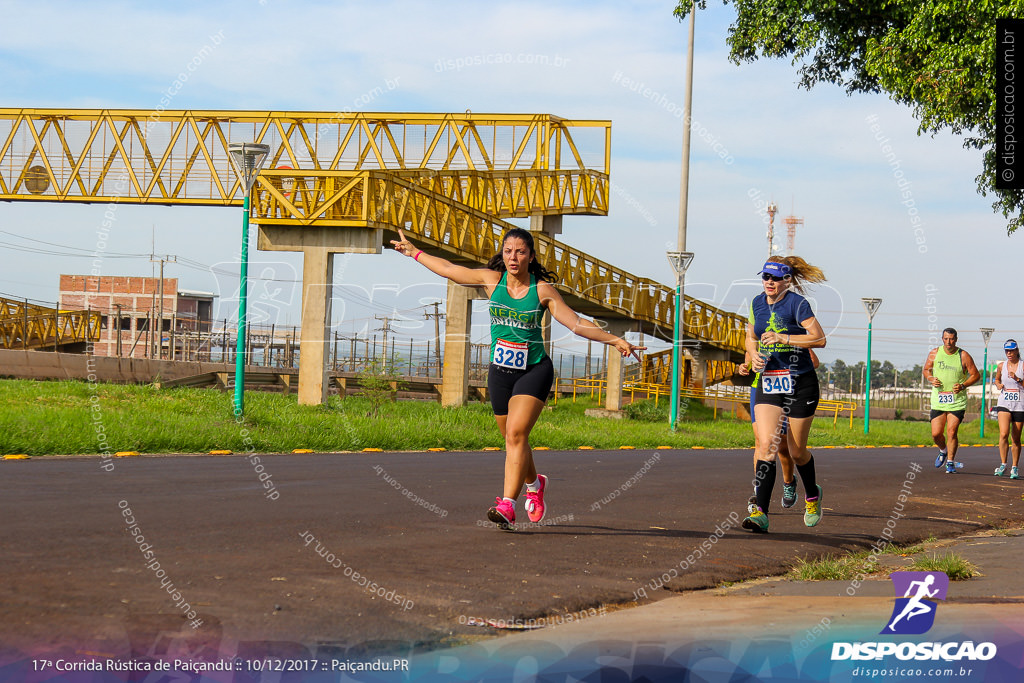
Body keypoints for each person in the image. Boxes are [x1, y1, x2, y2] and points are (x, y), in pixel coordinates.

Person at [390, 227, 645, 530]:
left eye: (520, 251)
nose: (513, 256)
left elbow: (576, 324)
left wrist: (614, 339)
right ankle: (535, 485)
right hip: (500, 372)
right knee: (513, 439)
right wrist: (414, 253)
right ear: (502, 254)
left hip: (534, 370)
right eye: (508, 250)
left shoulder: (542, 291)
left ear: (531, 256)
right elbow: (449, 269)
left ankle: (507, 505)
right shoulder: (491, 280)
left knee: (515, 435)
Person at [742, 256, 828, 533]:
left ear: (787, 280)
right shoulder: (756, 303)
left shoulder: (797, 304)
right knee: (767, 446)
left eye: (776, 278)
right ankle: (761, 514)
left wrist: (785, 338)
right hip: (770, 382)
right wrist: (753, 356)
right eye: (765, 276)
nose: (769, 282)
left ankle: (812, 496)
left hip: (800, 382)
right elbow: (750, 337)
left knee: (796, 450)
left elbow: (819, 338)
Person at [738, 348, 820, 512]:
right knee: (763, 442)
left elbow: (814, 361)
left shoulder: (790, 333)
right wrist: (745, 366)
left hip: (788, 386)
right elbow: (749, 356)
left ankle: (789, 482)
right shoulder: (758, 332)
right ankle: (759, 493)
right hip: (762, 386)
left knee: (783, 445)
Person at [923, 328, 981, 474]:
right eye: (946, 339)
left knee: (951, 431)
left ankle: (950, 462)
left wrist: (963, 385)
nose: (949, 342)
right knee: (936, 434)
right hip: (939, 399)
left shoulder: (964, 355)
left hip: (957, 400)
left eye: (951, 339)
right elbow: (926, 370)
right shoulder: (934, 353)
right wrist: (931, 378)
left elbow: (975, 375)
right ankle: (943, 450)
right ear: (942, 339)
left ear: (956, 339)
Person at [992, 339, 1024, 479]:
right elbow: (997, 380)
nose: (1009, 353)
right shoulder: (1001, 366)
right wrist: (998, 384)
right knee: (1003, 433)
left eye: (1011, 350)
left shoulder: (1023, 366)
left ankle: (1014, 467)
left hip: (1020, 404)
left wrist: (1017, 379)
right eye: (1007, 351)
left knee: (1016, 438)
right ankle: (1003, 464)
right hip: (1004, 402)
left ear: (1017, 350)